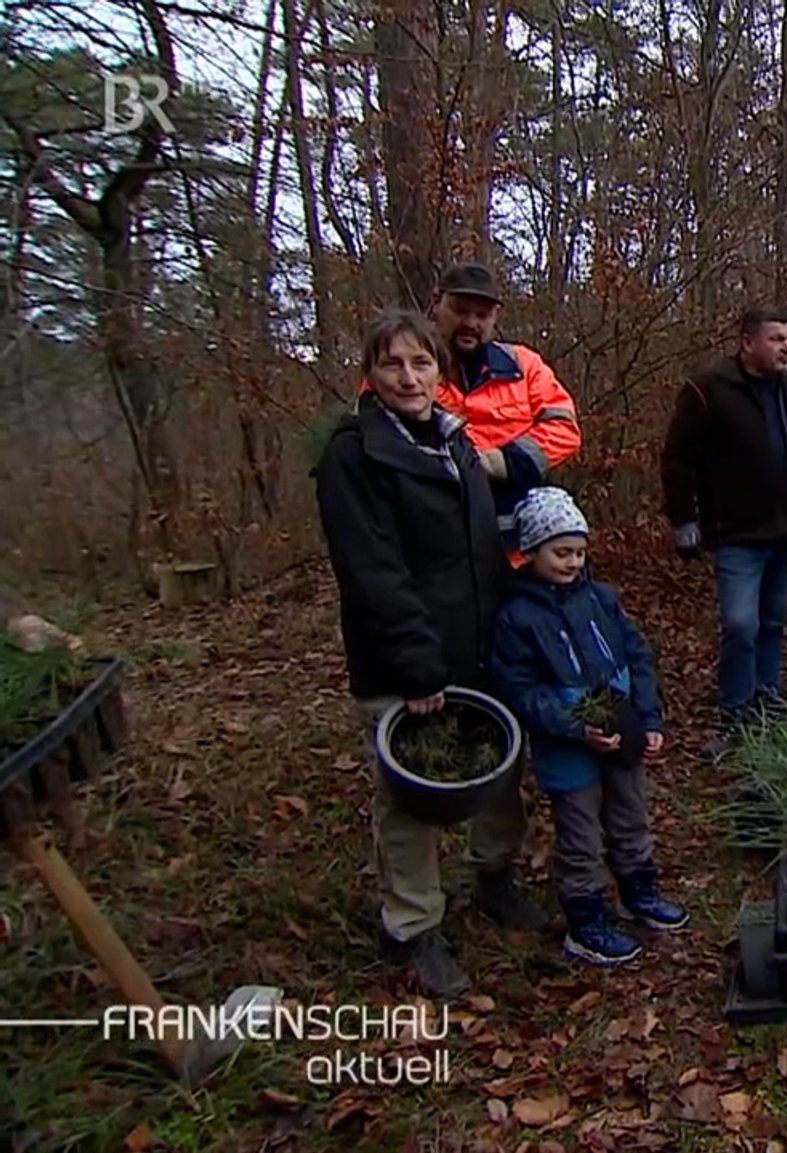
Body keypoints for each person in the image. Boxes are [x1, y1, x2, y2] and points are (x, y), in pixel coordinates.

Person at [316, 309, 547, 1000]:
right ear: (373, 374)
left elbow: (482, 550)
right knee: (410, 798)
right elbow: (373, 572)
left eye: (421, 363)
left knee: (502, 775)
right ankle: (414, 924)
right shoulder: (354, 454)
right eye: (393, 364)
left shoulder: (456, 443)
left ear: (439, 374)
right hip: (407, 662)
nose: (409, 377)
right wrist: (418, 665)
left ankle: (495, 877)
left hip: (481, 645)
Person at [489, 487, 688, 966]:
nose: (572, 562)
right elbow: (521, 689)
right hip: (568, 746)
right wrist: (573, 727)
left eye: (579, 551)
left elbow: (636, 655)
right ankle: (586, 922)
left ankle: (639, 894)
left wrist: (648, 717)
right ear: (532, 551)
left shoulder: (601, 599)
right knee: (580, 836)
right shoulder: (518, 617)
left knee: (630, 816)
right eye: (561, 552)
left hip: (622, 733)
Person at [659, 307, 787, 758]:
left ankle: (766, 697)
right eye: (777, 339)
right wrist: (684, 520)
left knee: (774, 621)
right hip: (736, 531)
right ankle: (735, 713)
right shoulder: (709, 390)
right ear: (747, 342)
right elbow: (677, 457)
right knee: (740, 624)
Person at [420, 263, 584, 552]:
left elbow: (564, 428)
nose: (471, 322)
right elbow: (376, 431)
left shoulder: (523, 364)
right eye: (460, 310)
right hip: (435, 544)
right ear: (436, 303)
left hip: (521, 547)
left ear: (496, 316)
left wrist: (499, 462)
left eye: (482, 315)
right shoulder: (407, 366)